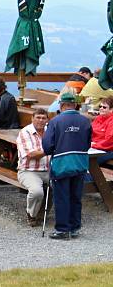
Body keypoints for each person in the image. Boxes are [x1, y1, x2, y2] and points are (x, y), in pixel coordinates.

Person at [42, 93, 92, 240]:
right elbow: (88, 143)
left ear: (61, 105)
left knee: (62, 197)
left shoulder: (55, 121)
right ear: (75, 105)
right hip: (81, 162)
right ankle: (75, 227)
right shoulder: (85, 121)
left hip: (62, 163)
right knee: (76, 196)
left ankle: (63, 229)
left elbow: (47, 146)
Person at [14, 108, 50, 227]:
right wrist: (50, 149)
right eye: (38, 117)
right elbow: (31, 155)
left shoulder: (50, 131)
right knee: (37, 192)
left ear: (47, 120)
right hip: (29, 171)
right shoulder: (25, 132)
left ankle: (44, 213)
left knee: (61, 185)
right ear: (32, 118)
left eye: (43, 118)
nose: (40, 120)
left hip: (49, 169)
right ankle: (32, 214)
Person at [91, 96, 113, 166]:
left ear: (111, 109)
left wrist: (94, 145)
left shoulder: (111, 121)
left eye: (104, 107)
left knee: (89, 162)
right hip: (95, 148)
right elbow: (89, 132)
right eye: (100, 106)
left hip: (108, 150)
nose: (101, 108)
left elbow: (109, 140)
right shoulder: (98, 118)